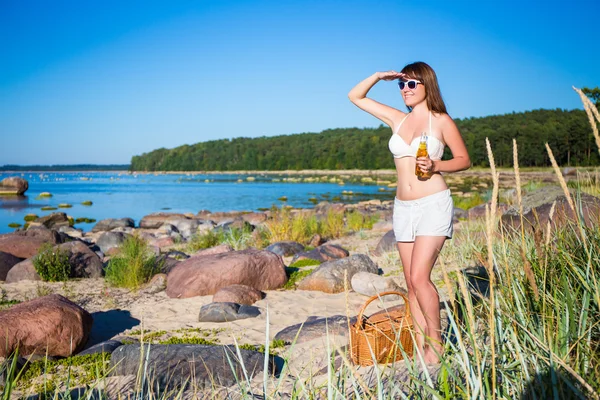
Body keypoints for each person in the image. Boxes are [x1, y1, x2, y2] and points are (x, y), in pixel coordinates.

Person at [348, 62, 470, 364]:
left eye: (412, 84)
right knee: (409, 281)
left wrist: (437, 165)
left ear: (427, 85)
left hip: (433, 203)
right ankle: (420, 343)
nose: (405, 89)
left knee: (419, 277)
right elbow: (355, 97)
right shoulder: (397, 120)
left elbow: (464, 159)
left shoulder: (441, 121)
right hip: (403, 207)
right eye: (402, 84)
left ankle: (437, 345)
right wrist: (378, 76)